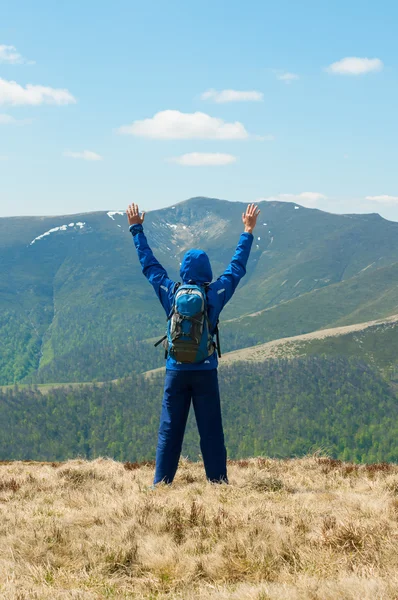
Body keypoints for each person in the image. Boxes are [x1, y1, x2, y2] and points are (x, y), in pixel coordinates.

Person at [127, 202, 260, 484]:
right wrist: (247, 231)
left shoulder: (170, 291)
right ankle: (218, 483)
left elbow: (149, 265)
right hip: (205, 371)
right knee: (211, 431)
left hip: (175, 371)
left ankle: (160, 485)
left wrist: (136, 228)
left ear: (184, 270)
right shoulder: (215, 294)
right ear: (207, 272)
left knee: (169, 431)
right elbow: (237, 267)